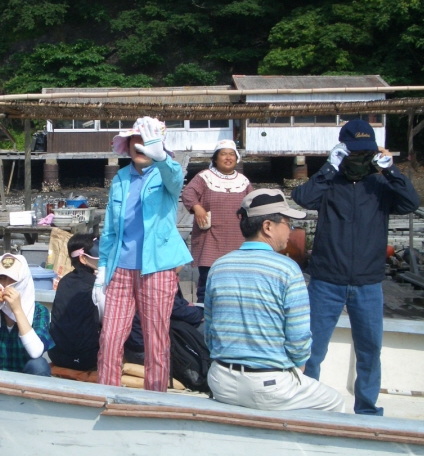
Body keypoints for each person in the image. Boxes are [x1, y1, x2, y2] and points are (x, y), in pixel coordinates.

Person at [291, 119, 419, 415]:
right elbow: (302, 198)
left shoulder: (381, 185)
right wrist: (329, 167)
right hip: (326, 280)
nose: (360, 158)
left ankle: (367, 409)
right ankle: (308, 407)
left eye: (366, 152)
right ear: (343, 150)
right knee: (312, 349)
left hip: (368, 283)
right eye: (354, 152)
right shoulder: (329, 182)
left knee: (370, 350)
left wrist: (390, 170)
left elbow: (410, 203)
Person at [205, 188, 344, 412]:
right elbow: (298, 337)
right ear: (268, 226)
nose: (290, 231)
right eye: (288, 223)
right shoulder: (287, 269)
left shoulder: (219, 266)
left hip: (220, 381)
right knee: (335, 402)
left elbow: (210, 332)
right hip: (269, 385)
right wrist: (298, 366)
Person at [94, 116, 193, 392]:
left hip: (158, 268)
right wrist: (101, 272)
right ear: (127, 146)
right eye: (135, 140)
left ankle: (156, 400)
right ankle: (104, 396)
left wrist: (161, 157)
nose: (140, 145)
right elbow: (110, 231)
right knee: (110, 338)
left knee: (155, 341)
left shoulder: (166, 174)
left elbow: (176, 178)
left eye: (147, 140)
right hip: (120, 269)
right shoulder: (120, 179)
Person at [182, 139, 252, 303]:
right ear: (215, 158)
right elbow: (188, 193)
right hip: (210, 239)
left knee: (236, 283)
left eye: (231, 154)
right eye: (223, 154)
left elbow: (252, 203)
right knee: (208, 281)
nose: (228, 158)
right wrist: (197, 208)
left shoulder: (243, 181)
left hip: (237, 239)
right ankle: (203, 312)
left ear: (236, 158)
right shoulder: (205, 177)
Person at [48, 234, 101, 371]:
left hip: (56, 355)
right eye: (96, 251)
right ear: (83, 258)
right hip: (87, 359)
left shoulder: (64, 281)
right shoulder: (96, 284)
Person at [123, 289, 203, 365]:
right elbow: (177, 310)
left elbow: (176, 304)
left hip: (134, 344)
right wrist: (201, 313)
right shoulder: (158, 283)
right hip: (146, 349)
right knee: (201, 331)